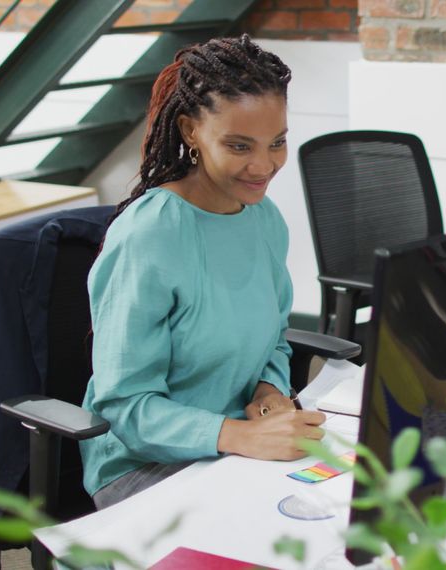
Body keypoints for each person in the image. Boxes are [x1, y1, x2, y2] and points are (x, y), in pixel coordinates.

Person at [81, 35, 326, 510]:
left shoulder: (263, 219)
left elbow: (273, 338)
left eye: (277, 143)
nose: (264, 165)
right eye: (239, 145)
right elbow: (124, 407)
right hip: (144, 466)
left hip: (241, 442)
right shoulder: (150, 235)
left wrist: (270, 392)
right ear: (191, 131)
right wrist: (238, 435)